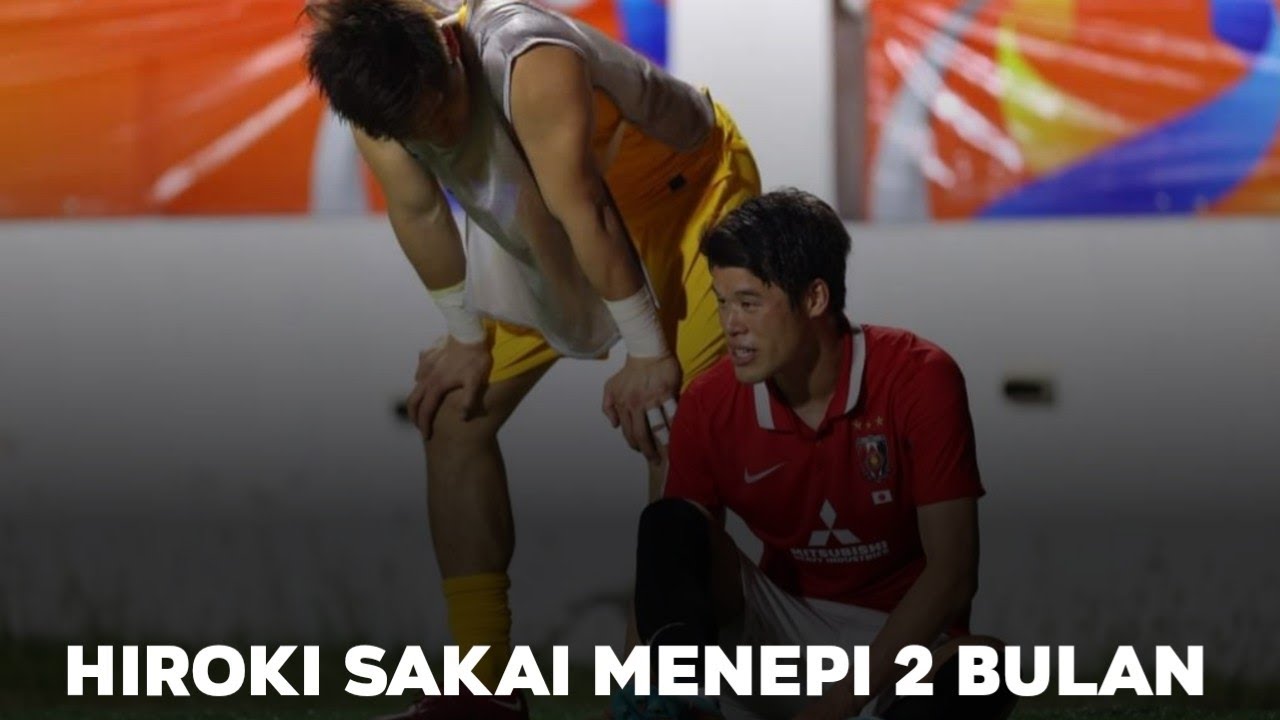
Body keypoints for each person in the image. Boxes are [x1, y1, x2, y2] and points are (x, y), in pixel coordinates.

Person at [303, 1, 760, 717]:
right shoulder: (378, 102)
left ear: (449, 50)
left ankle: (658, 688)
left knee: (676, 429)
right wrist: (463, 336)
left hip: (684, 196)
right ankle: (485, 689)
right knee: (453, 415)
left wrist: (647, 354)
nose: (443, 136)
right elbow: (420, 212)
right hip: (550, 219)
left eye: (447, 112)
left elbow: (591, 210)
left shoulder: (526, 56)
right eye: (422, 132)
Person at [626, 189, 1016, 720]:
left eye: (749, 302)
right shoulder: (711, 401)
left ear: (814, 298)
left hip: (899, 644)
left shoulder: (920, 377)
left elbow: (953, 574)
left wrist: (836, 705)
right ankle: (682, 706)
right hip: (781, 632)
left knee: (985, 669)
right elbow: (666, 568)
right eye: (722, 302)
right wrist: (630, 697)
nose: (730, 325)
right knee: (669, 520)